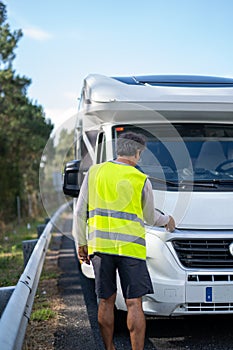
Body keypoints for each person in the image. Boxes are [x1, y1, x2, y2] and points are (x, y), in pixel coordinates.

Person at [74, 131, 175, 350]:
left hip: (101, 248)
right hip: (131, 248)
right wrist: (168, 220)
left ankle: (109, 347)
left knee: (105, 300)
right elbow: (150, 217)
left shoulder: (95, 172)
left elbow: (80, 212)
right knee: (133, 303)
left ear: (119, 149)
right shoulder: (140, 180)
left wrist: (81, 243)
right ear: (138, 153)